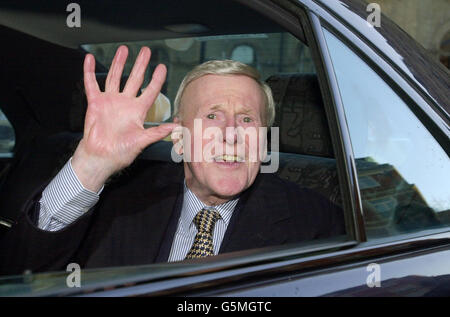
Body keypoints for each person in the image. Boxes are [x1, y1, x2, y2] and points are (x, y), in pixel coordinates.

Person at [0, 46, 345, 275]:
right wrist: (91, 165)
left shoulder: (315, 222)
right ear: (179, 136)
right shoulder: (120, 199)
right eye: (212, 115)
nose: (231, 133)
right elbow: (22, 272)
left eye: (247, 119)